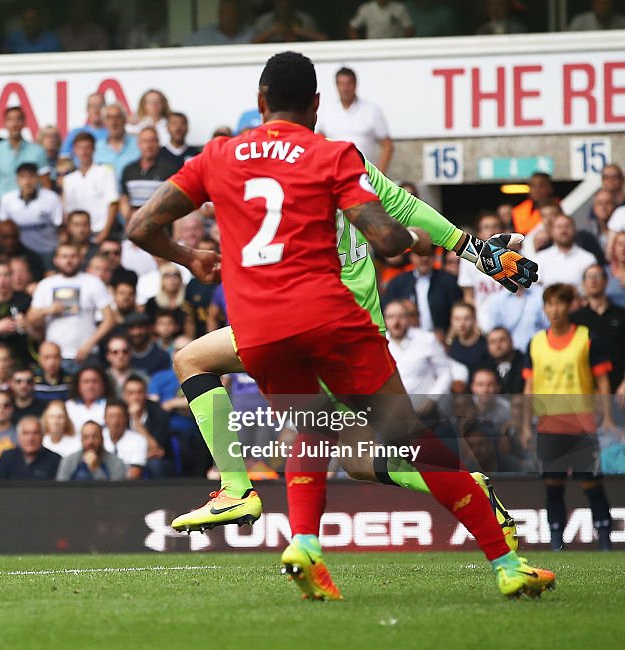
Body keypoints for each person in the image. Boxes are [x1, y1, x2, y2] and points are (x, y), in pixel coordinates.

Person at [126, 50, 551, 598]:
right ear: (317, 106)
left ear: (259, 105)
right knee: (385, 443)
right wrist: (458, 248)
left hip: (263, 328)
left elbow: (141, 225)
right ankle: (500, 553)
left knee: (304, 426)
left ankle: (272, 517)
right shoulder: (331, 154)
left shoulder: (219, 156)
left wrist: (191, 259)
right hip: (334, 317)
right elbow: (396, 221)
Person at [523, 283, 615, 551]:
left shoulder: (586, 338)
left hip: (581, 423)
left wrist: (607, 416)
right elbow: (529, 385)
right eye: (550, 303)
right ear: (544, 308)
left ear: (569, 306)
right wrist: (525, 423)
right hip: (548, 424)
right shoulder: (536, 342)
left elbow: (602, 380)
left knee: (591, 483)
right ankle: (556, 544)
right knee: (553, 485)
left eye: (560, 303)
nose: (555, 309)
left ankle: (606, 542)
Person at [28, 243, 116, 367]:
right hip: (55, 356)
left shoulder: (93, 282)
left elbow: (110, 319)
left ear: (81, 258)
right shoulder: (45, 285)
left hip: (87, 353)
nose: (69, 261)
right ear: (56, 260)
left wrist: (88, 345)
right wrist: (47, 310)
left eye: (73, 256)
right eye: (64, 256)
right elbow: (30, 318)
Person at [316, 67, 393, 174]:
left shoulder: (371, 110)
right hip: (335, 175)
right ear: (336, 86)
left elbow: (387, 145)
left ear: (355, 85)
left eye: (349, 83)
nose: (345, 88)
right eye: (341, 84)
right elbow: (319, 143)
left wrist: (380, 174)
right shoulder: (326, 111)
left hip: (365, 175)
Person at [571, 264, 625, 398]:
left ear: (606, 281)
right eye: (589, 277)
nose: (593, 281)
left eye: (597, 276)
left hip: (620, 388)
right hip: (587, 391)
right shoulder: (575, 319)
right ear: (583, 283)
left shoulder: (622, 315)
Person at [382, 250, 462, 336]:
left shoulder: (449, 281)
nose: (425, 258)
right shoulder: (397, 283)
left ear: (434, 257)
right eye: (419, 254)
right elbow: (387, 313)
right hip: (407, 341)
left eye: (429, 254)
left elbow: (458, 311)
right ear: (411, 257)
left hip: (442, 340)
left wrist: (449, 338)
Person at [0, 162, 63, 259]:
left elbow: (60, 227)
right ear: (17, 179)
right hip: (20, 254)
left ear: (37, 178)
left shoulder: (51, 198)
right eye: (23, 177)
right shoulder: (7, 200)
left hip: (48, 251)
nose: (27, 181)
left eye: (31, 176)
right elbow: (4, 229)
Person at [62, 132, 119, 241]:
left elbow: (113, 203)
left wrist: (105, 232)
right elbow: (68, 210)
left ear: (93, 149)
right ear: (74, 150)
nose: (84, 152)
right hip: (77, 234)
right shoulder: (68, 179)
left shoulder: (106, 171)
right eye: (80, 148)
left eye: (87, 148)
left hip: (100, 231)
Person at [0, 106, 50, 198]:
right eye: (10, 120)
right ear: (4, 123)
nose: (14, 124)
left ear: (24, 123)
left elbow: (46, 185)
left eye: (18, 119)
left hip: (33, 206)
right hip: (4, 207)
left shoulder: (38, 151)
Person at [534, 214, 597, 293]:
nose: (563, 231)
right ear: (552, 231)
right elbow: (536, 288)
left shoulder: (588, 259)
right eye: (559, 227)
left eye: (567, 226)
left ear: (575, 230)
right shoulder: (540, 258)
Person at [0, 415, 61, 480]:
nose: (30, 439)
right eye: (26, 433)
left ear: (42, 436)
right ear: (18, 437)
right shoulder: (6, 458)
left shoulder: (56, 461)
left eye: (35, 433)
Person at [56, 419, 126, 480]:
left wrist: (95, 469)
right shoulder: (69, 461)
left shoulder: (116, 463)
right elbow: (61, 490)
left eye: (95, 437)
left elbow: (114, 492)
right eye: (86, 437)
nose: (90, 442)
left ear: (102, 439)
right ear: (81, 440)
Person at [94, 103, 140, 186]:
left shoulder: (138, 144)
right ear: (104, 121)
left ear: (125, 120)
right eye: (109, 118)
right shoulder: (96, 148)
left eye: (117, 117)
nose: (113, 122)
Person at [184, 0, 254, 46]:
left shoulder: (249, 33)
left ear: (239, 15)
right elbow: (181, 48)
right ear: (219, 15)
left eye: (232, 12)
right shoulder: (205, 35)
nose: (228, 17)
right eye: (225, 13)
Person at [348, 0, 415, 39]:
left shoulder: (399, 8)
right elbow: (352, 28)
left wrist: (401, 44)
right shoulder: (366, 8)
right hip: (373, 46)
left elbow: (409, 28)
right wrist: (359, 45)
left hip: (394, 46)